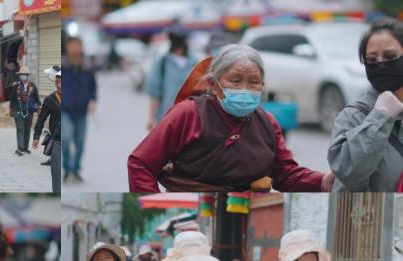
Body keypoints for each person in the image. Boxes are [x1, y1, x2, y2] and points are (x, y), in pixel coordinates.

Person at [128, 44, 335, 193]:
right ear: (212, 83)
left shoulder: (267, 122)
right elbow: (140, 164)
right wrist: (155, 203)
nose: (245, 89)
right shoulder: (188, 113)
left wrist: (322, 182)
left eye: (254, 82)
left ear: (263, 85)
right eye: (235, 81)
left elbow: (285, 174)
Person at [328, 17, 403, 191]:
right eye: (372, 59)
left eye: (390, 56)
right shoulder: (354, 116)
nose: (381, 63)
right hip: (371, 216)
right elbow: (349, 174)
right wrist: (381, 117)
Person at [145, 29, 197, 131]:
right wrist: (151, 118)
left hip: (190, 117)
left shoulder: (194, 61)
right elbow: (155, 91)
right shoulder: (162, 62)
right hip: (167, 116)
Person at [62, 37, 97, 183]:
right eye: (72, 46)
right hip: (64, 109)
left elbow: (93, 86)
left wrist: (93, 100)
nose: (75, 49)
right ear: (67, 47)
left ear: (81, 47)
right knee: (66, 137)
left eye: (77, 46)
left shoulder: (87, 65)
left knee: (80, 142)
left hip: (82, 110)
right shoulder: (62, 64)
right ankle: (67, 169)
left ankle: (75, 170)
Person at [33, 65, 62, 193]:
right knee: (56, 173)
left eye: (61, 81)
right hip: (57, 140)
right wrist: (36, 137)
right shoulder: (50, 99)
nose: (59, 84)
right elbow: (41, 118)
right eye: (57, 82)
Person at [9, 65, 40, 156]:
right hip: (18, 110)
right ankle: (20, 147)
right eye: (21, 74)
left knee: (27, 129)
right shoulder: (16, 86)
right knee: (20, 128)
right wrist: (11, 109)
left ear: (27, 75)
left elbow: (37, 98)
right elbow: (12, 98)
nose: (23, 76)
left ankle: (25, 147)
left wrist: (38, 107)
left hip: (29, 111)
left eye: (24, 74)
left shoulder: (33, 86)